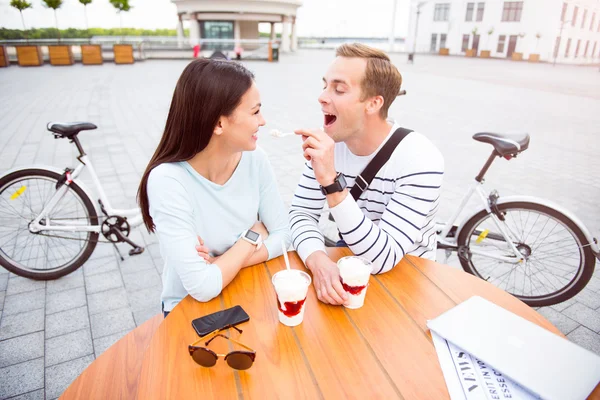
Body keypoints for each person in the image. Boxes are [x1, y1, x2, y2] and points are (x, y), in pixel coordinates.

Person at [290, 43, 444, 306]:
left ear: (373, 103)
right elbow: (301, 213)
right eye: (325, 85)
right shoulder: (330, 145)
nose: (322, 97)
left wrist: (331, 182)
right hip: (346, 266)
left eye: (338, 89)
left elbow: (383, 259)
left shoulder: (420, 158)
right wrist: (318, 261)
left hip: (407, 278)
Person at [138, 59, 290, 317]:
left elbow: (285, 235)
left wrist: (222, 263)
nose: (263, 121)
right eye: (254, 112)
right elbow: (202, 287)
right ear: (218, 124)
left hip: (245, 291)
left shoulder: (255, 159)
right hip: (190, 312)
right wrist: (252, 236)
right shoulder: (167, 181)